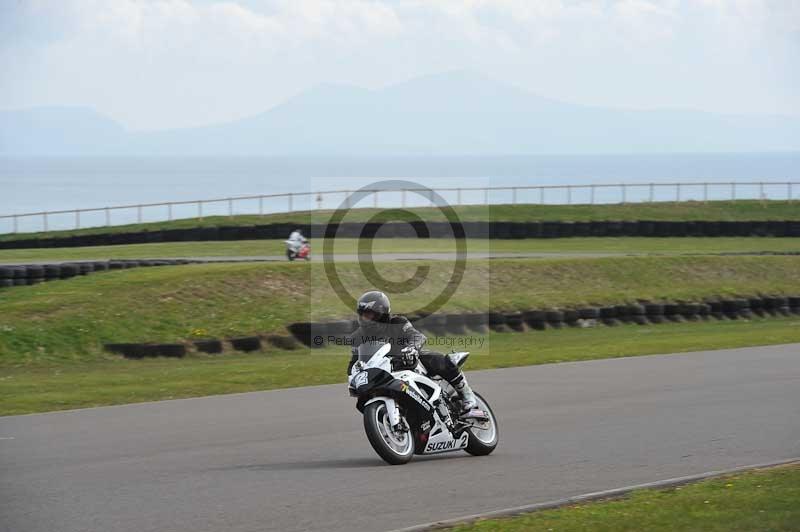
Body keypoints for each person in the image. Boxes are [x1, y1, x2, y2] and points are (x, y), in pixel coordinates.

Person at [347, 290, 480, 417]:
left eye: (369, 315)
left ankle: (467, 395)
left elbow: (417, 336)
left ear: (381, 313)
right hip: (384, 373)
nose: (365, 319)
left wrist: (412, 348)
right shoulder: (358, 336)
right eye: (363, 315)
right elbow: (355, 363)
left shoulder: (398, 322)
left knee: (435, 359)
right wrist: (353, 377)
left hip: (409, 362)